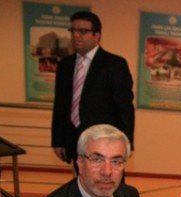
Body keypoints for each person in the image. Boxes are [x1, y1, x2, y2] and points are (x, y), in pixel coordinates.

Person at [52, 10, 134, 167]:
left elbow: (124, 107)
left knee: (108, 179)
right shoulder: (65, 65)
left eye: (83, 31)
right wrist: (58, 140)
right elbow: (60, 105)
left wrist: (127, 142)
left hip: (104, 140)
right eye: (73, 30)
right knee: (80, 179)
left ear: (97, 36)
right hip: (73, 137)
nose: (76, 35)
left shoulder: (115, 64)